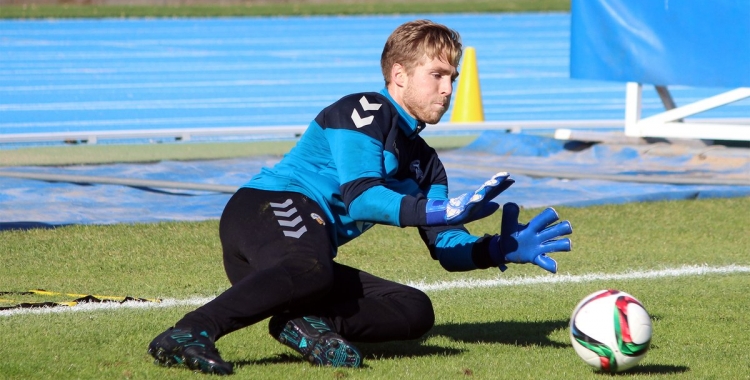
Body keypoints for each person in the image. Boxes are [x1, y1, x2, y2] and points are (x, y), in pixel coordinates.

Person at [147, 19, 573, 375]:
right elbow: (363, 198)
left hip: (299, 260)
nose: (448, 90)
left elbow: (445, 244)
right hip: (265, 210)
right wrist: (446, 208)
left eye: (452, 79)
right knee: (312, 268)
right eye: (437, 76)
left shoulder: (427, 163)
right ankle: (189, 330)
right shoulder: (364, 110)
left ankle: (306, 325)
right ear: (400, 76)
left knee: (414, 308)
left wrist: (496, 249)